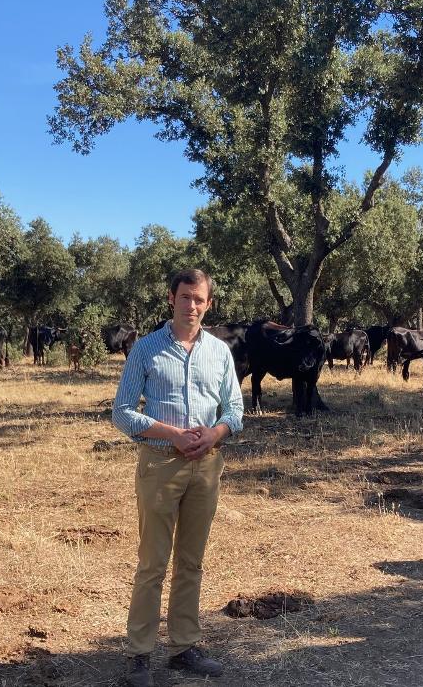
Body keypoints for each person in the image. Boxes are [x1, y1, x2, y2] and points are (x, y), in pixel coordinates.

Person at [111, 268, 244, 686]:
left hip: (206, 465)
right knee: (153, 562)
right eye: (185, 297)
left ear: (209, 303)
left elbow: (234, 410)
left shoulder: (220, 352)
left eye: (199, 299)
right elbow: (123, 412)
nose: (192, 306)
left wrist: (215, 433)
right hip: (160, 463)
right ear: (171, 298)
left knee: (192, 561)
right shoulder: (147, 349)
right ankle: (139, 655)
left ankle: (184, 646)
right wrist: (173, 434)